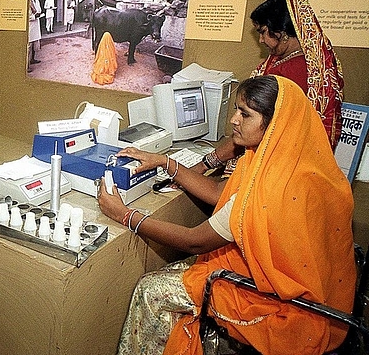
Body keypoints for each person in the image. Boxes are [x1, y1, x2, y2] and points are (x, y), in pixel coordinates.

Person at [97, 75, 355, 354]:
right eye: (236, 109)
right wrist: (167, 162)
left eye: (246, 114)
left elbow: (194, 241)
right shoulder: (300, 165)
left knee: (151, 288)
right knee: (186, 268)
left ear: (274, 125)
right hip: (328, 299)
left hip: (289, 310)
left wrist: (125, 215)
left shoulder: (268, 192)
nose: (234, 120)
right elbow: (221, 193)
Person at [197, 0, 344, 178]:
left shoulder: (289, 72)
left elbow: (258, 130)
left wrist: (205, 163)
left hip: (274, 170)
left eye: (263, 31)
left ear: (282, 31)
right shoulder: (312, 64)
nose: (260, 40)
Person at [27, 0, 42, 72]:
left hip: (36, 25)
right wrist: (34, 16)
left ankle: (32, 59)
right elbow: (27, 16)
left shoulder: (37, 1)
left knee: (34, 44)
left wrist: (38, 14)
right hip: (30, 26)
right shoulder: (27, 1)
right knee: (29, 46)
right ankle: (27, 66)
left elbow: (39, 10)